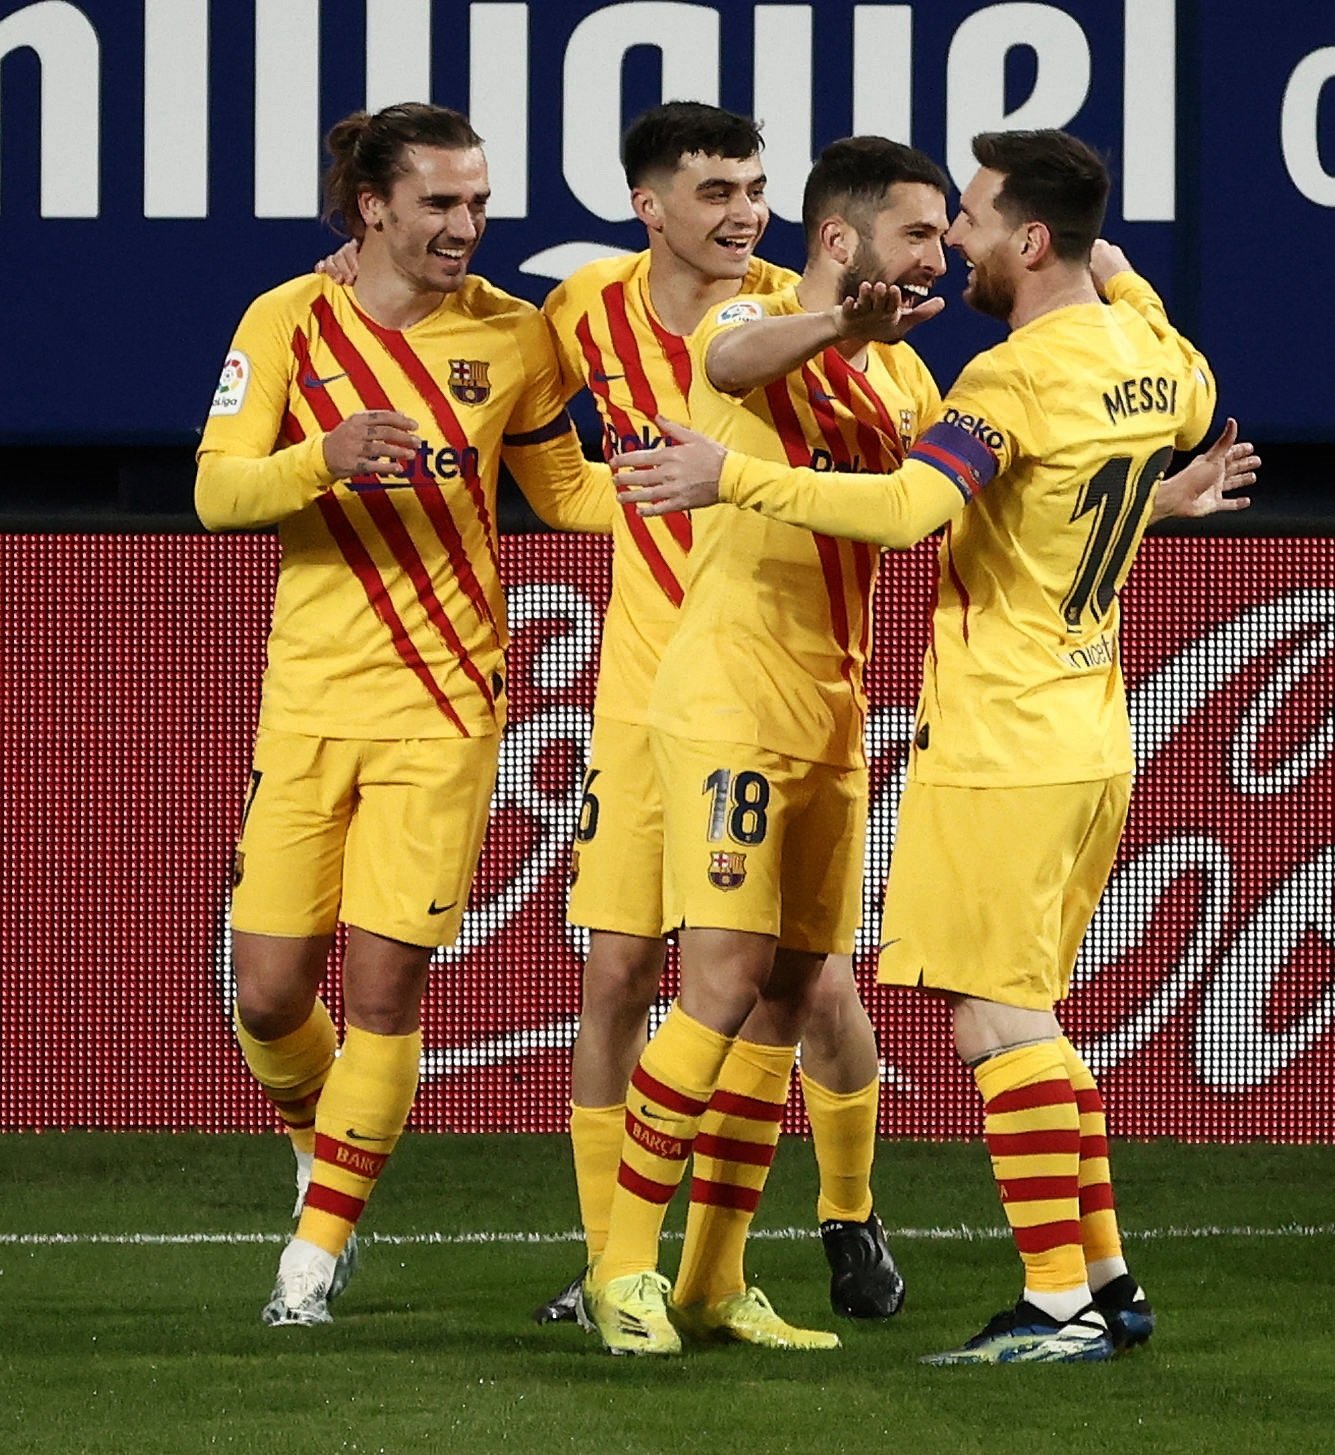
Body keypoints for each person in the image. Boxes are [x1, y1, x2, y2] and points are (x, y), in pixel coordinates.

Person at [614, 128, 1257, 1363]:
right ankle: (1109, 1281)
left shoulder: (1001, 384)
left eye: (966, 218)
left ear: (1024, 239)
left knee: (992, 1018)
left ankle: (1057, 1300)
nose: (952, 239)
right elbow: (1174, 393)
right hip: (1093, 735)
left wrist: (727, 483)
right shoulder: (1150, 354)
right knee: (1036, 1015)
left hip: (1004, 735)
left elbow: (911, 511)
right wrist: (1120, 286)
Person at [315, 102, 909, 1326]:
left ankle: (805, 1230)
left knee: (799, 984)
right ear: (650, 208)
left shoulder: (805, 332)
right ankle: (609, 1264)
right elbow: (464, 351)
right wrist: (345, 274)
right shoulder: (584, 311)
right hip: (651, 690)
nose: (742, 211)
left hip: (779, 677)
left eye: (754, 187)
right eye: (714, 191)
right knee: (622, 974)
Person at [196, 102, 613, 1327]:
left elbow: (567, 493)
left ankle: (310, 1264)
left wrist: (706, 499)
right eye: (439, 202)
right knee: (268, 995)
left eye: (478, 202)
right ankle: (321, 1148)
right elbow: (219, 493)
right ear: (372, 207)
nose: (465, 225)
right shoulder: (287, 320)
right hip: (310, 700)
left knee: (383, 992)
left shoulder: (518, 338)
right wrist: (323, 458)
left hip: (447, 706)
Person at [584, 135, 952, 1356]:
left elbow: (944, 501)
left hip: (837, 715)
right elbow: (733, 361)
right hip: (730, 699)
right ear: (842, 245)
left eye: (945, 235)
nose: (937, 255)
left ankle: (712, 1280)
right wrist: (839, 325)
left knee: (791, 994)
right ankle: (622, 1270)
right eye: (918, 234)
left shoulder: (904, 380)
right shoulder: (749, 322)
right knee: (720, 980)